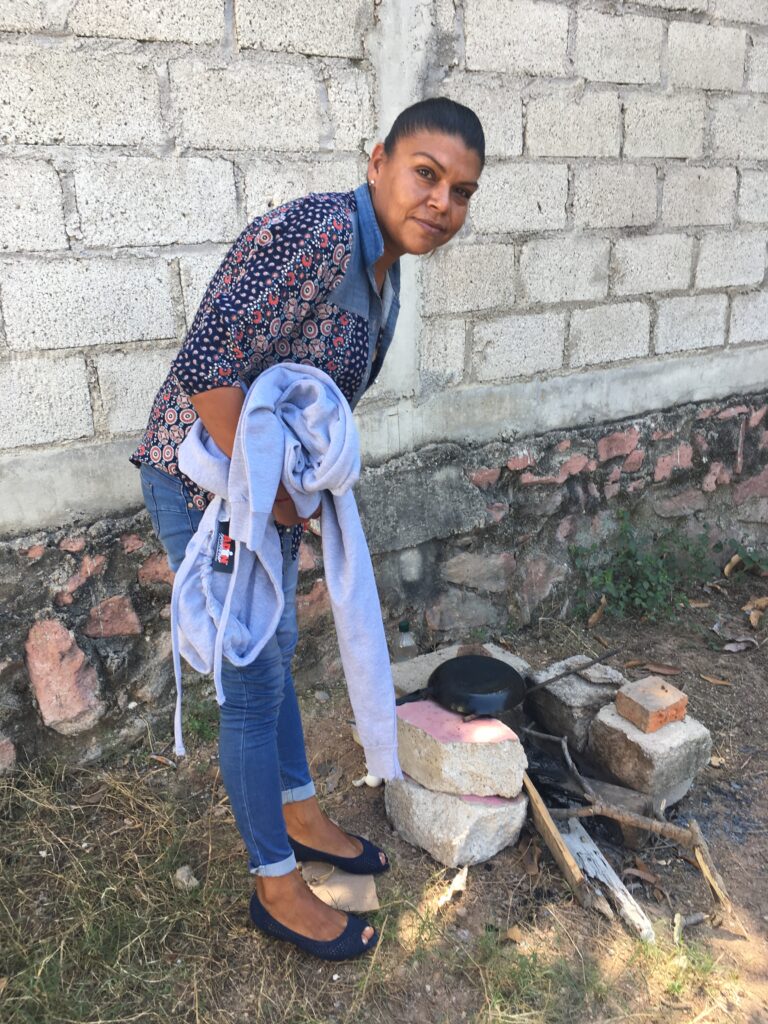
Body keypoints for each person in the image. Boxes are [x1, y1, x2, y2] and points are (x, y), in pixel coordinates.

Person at [131, 97, 485, 960]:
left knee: (275, 653)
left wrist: (292, 495)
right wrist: (278, 500)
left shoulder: (383, 268)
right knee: (250, 680)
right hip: (204, 484)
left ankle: (298, 812)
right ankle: (276, 883)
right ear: (378, 163)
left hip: (262, 492)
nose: (442, 203)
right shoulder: (323, 234)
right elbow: (208, 362)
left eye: (463, 191)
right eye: (426, 175)